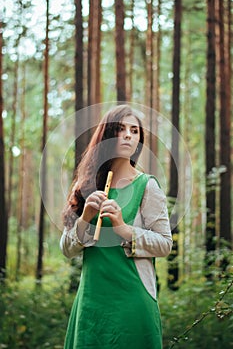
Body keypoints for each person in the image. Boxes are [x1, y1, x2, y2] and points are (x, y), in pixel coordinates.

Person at [60, 105, 172, 349]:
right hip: (91, 301)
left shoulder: (147, 186)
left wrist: (123, 228)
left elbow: (165, 244)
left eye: (135, 130)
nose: (129, 135)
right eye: (121, 129)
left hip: (132, 299)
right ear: (107, 135)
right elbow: (66, 249)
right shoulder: (86, 185)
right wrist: (85, 218)